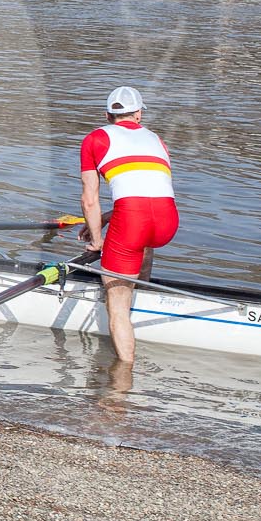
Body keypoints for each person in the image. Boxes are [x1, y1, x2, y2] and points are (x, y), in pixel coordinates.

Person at [80, 85, 179, 364]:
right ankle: (142, 294)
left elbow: (89, 199)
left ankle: (123, 380)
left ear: (108, 115)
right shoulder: (157, 140)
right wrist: (107, 219)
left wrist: (97, 240)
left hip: (133, 220)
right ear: (138, 114)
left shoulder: (95, 139)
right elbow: (147, 191)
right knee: (143, 242)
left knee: (117, 303)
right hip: (168, 219)